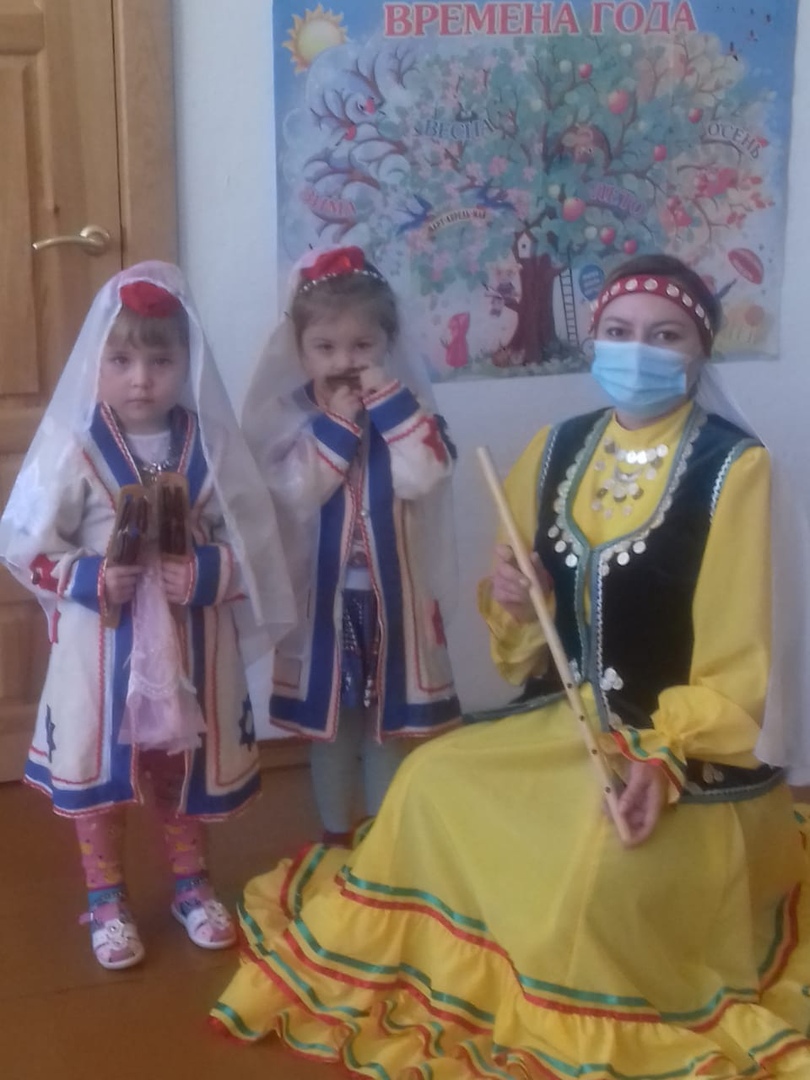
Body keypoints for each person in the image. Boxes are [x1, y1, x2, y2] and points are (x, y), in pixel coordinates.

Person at [211, 254, 810, 1077]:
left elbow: (744, 664)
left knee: (595, 874)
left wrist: (664, 759)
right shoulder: (557, 449)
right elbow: (523, 641)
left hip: (677, 758)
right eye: (619, 331)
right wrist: (518, 603)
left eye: (665, 335)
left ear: (701, 348)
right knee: (428, 781)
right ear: (593, 339)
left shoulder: (735, 471)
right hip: (563, 722)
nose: (638, 351)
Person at [0, 262, 294, 971]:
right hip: (101, 648)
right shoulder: (73, 447)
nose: (141, 379)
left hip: (192, 646)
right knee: (102, 772)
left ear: (187, 364)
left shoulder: (213, 446)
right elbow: (24, 542)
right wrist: (91, 576)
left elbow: (256, 542)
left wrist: (208, 571)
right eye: (122, 361)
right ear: (95, 364)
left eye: (160, 362)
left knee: (178, 766)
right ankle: (105, 897)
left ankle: (192, 884)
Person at [241, 246, 461, 845]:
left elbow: (424, 477)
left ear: (387, 343)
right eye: (325, 347)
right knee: (333, 728)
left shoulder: (409, 413)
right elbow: (293, 494)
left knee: (387, 726)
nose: (344, 361)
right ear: (300, 350)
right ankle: (337, 833)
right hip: (324, 607)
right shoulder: (288, 420)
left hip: (395, 603)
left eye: (362, 345)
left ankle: (382, 840)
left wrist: (389, 409)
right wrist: (336, 430)